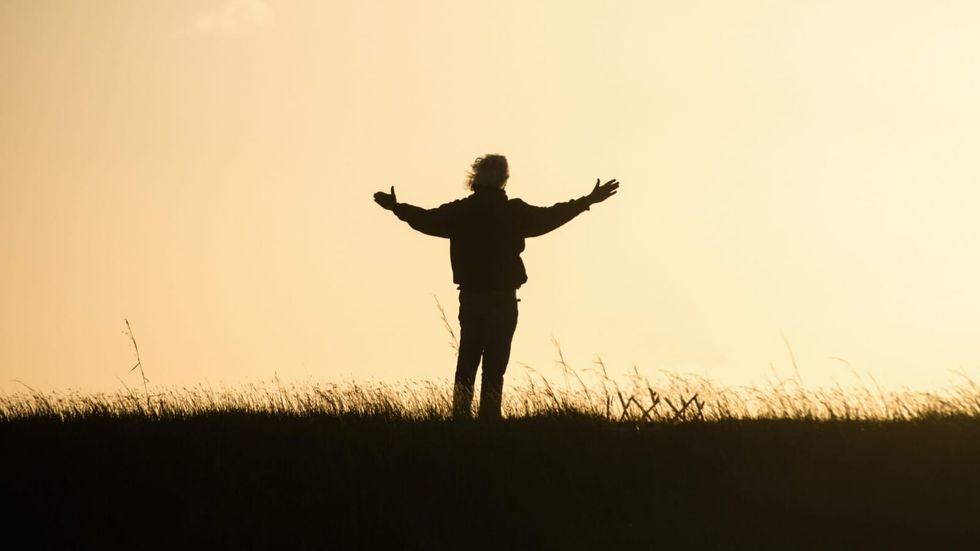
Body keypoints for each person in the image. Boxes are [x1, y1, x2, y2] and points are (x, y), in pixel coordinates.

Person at [373, 154, 619, 420]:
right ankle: (488, 422)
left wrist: (397, 208)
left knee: (467, 362)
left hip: (472, 298)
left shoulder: (462, 212)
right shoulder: (512, 212)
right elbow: (551, 216)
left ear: (475, 178)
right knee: (494, 366)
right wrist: (586, 201)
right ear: (505, 179)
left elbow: (426, 219)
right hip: (501, 299)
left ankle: (461, 420)